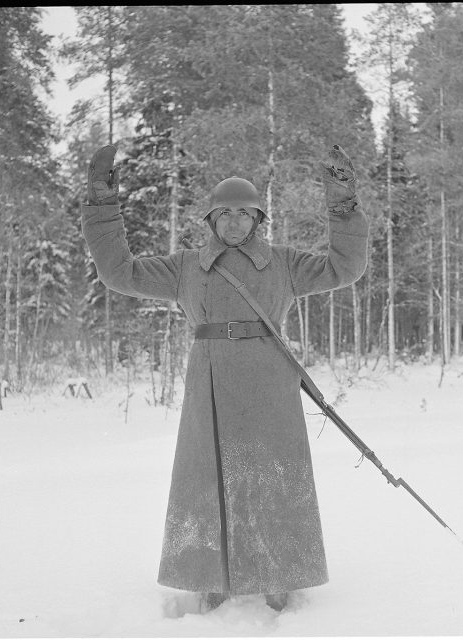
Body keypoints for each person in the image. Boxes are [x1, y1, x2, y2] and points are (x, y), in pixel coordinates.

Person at [81, 144, 369, 612]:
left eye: (244, 213)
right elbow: (118, 273)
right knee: (205, 480)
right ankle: (209, 579)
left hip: (270, 383)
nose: (234, 221)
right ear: (211, 220)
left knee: (274, 478)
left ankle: (280, 578)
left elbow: (345, 268)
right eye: (224, 213)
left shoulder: (285, 263)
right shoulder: (184, 267)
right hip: (207, 385)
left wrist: (343, 205)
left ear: (258, 219)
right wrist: (102, 206)